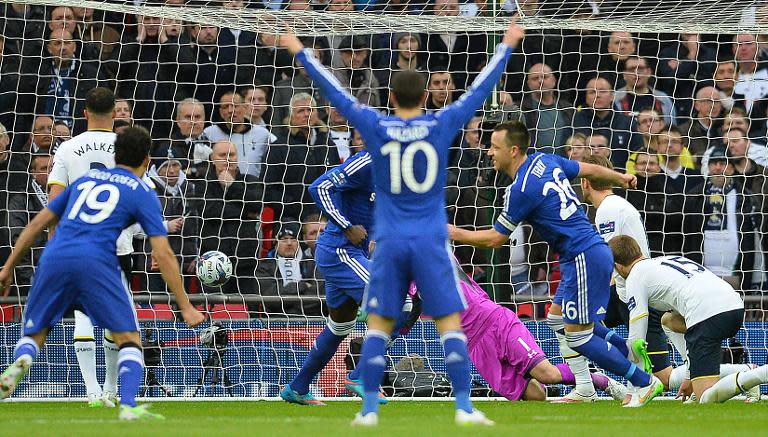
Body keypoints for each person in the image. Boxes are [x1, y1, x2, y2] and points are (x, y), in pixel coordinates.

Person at [275, 18, 524, 427]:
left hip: (389, 240)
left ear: (389, 97)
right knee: (448, 323)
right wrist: (506, 45)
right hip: (428, 239)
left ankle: (368, 410)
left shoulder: (377, 127)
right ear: (427, 95)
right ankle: (464, 408)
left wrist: (300, 52)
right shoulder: (441, 124)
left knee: (376, 323)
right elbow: (479, 90)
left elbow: (334, 93)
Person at [448, 121, 664, 407]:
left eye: (494, 147)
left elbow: (493, 240)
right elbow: (590, 169)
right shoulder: (544, 160)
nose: (489, 153)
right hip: (577, 256)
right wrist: (621, 176)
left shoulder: (520, 190)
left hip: (583, 255)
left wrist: (451, 231)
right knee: (555, 318)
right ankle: (624, 351)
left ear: (513, 151)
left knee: (578, 338)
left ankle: (643, 380)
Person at [0, 126, 205, 419]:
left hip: (55, 255)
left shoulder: (85, 182)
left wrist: (7, 268)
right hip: (97, 260)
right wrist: (185, 306)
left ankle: (22, 358)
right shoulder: (141, 190)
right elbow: (163, 252)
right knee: (128, 338)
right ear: (147, 160)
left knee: (36, 334)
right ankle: (130, 405)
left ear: (116, 154)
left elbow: (36, 225)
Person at [46, 87, 125, 407]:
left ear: (84, 113)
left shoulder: (67, 148)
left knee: (82, 313)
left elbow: (54, 198)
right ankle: (110, 390)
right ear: (116, 113)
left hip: (76, 242)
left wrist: (53, 241)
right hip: (116, 243)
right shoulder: (127, 145)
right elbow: (142, 191)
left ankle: (91, 391)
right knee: (113, 317)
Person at [281, 149, 375, 405]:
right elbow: (319, 187)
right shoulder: (369, 160)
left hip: (353, 253)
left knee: (340, 326)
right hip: (340, 250)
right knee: (400, 303)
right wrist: (347, 226)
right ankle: (360, 376)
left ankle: (297, 388)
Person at [608, 235, 745, 402]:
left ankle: (753, 374)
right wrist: (690, 374)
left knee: (706, 399)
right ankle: (701, 369)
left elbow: (637, 340)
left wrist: (634, 390)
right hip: (735, 307)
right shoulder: (668, 259)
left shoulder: (635, 278)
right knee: (668, 320)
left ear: (618, 266)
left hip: (707, 315)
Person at [580, 154, 675, 393]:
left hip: (636, 294)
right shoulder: (614, 206)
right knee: (578, 322)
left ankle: (739, 373)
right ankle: (590, 385)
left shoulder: (609, 209)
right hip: (626, 292)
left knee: (664, 378)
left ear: (585, 182)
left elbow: (610, 259)